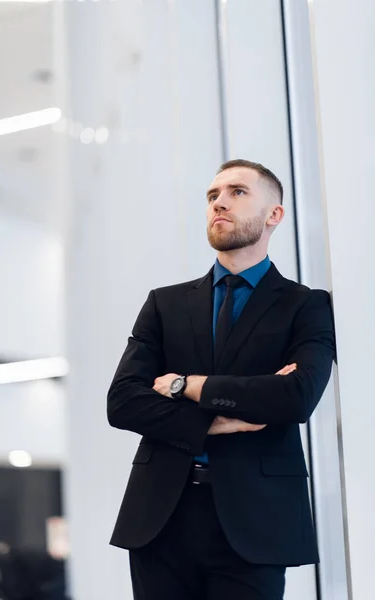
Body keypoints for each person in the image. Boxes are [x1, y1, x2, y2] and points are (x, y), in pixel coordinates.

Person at [106, 159, 336, 600]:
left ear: (274, 215)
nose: (219, 203)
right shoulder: (164, 304)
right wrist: (216, 422)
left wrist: (185, 385)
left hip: (256, 521)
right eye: (213, 196)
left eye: (237, 192)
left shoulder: (304, 306)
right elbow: (123, 402)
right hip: (161, 518)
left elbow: (295, 397)